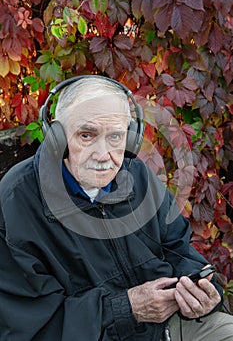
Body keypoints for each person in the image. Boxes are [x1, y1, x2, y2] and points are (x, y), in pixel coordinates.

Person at [0, 75, 232, 341]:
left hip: (168, 327)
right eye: (86, 135)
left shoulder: (138, 176)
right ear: (57, 139)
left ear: (131, 138)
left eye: (115, 137)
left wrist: (202, 289)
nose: (102, 154)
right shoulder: (17, 201)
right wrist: (126, 309)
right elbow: (29, 326)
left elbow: (180, 253)